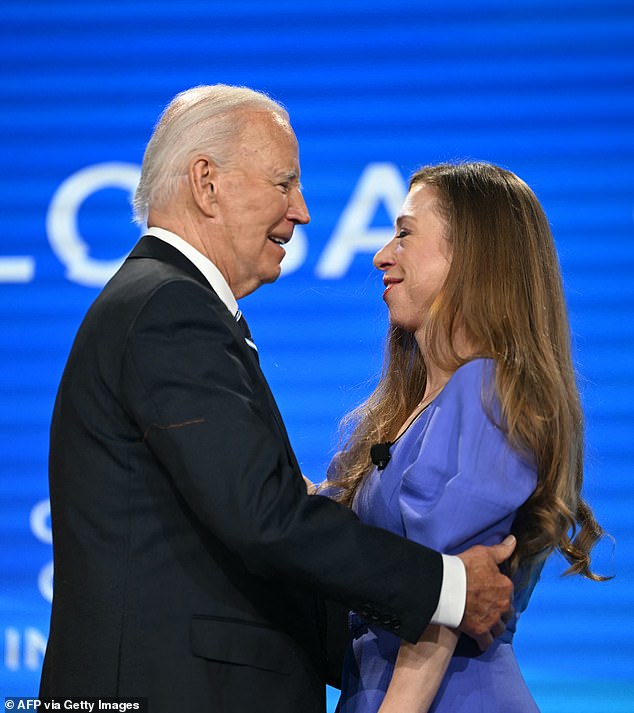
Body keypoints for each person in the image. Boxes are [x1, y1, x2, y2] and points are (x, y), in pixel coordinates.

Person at [40, 86, 516, 713]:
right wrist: (450, 588)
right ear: (207, 183)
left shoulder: (168, 305)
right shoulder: (169, 308)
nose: (303, 211)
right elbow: (263, 516)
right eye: (284, 183)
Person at [327, 161, 607, 713]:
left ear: (470, 256)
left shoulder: (487, 392)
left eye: (405, 234)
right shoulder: (415, 410)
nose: (383, 254)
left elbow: (443, 608)